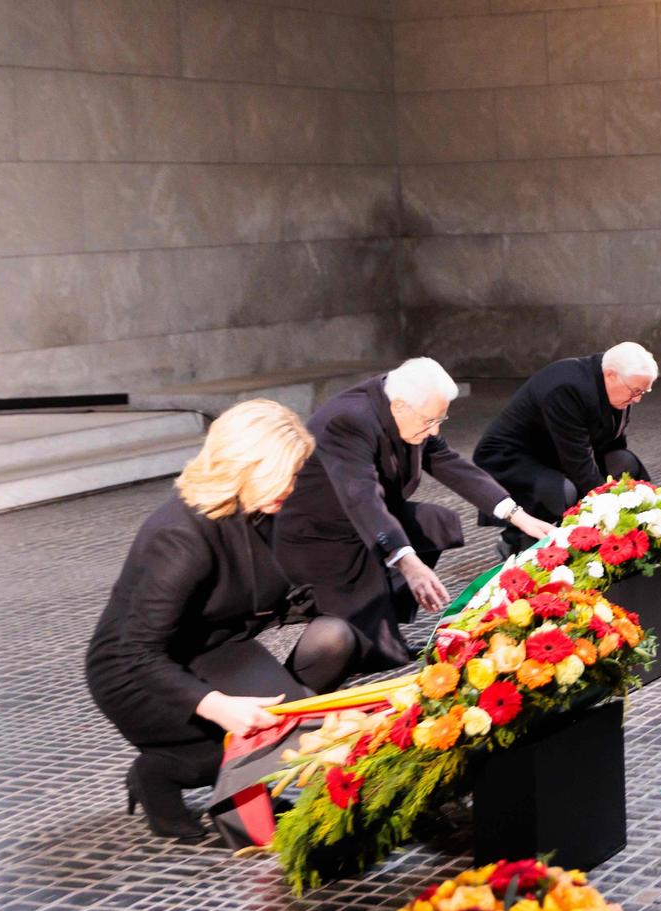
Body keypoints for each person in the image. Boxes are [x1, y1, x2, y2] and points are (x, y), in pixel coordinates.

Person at [86, 400, 363, 843]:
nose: (292, 486)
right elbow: (136, 654)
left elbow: (259, 586)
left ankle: (237, 772)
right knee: (263, 737)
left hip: (211, 649)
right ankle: (158, 773)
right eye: (286, 474)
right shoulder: (179, 537)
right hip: (135, 676)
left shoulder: (250, 506)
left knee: (296, 706)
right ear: (246, 466)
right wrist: (220, 707)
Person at [275, 358, 556, 670]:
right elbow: (362, 498)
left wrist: (518, 516)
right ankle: (359, 628)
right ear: (399, 407)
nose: (434, 430)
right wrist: (409, 564)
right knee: (365, 649)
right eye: (429, 421)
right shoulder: (349, 421)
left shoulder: (411, 409)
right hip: (322, 533)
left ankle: (386, 617)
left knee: (436, 523)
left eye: (440, 420)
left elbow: (450, 463)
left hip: (368, 516)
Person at [474, 343, 658, 557]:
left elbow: (612, 445)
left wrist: (629, 503)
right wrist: (610, 509)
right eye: (635, 391)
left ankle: (585, 535)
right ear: (610, 375)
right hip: (512, 457)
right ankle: (518, 540)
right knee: (564, 490)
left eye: (644, 391)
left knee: (623, 462)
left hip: (557, 451)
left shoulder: (618, 386)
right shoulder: (566, 387)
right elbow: (578, 463)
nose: (637, 399)